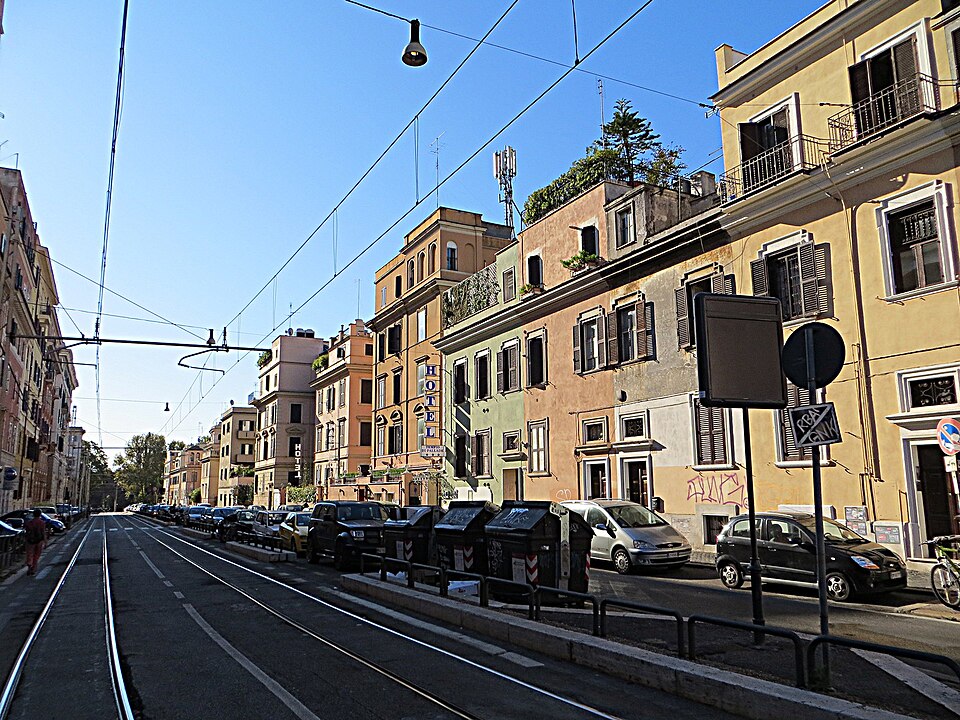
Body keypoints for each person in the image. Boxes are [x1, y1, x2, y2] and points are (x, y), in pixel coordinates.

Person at [24, 509, 46, 576]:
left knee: (30, 554)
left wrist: (27, 539)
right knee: (36, 555)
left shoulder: (29, 522)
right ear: (40, 514)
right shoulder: (42, 522)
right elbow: (43, 532)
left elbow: (27, 532)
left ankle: (29, 565)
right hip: (39, 541)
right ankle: (33, 569)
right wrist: (45, 541)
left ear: (33, 514)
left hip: (30, 541)